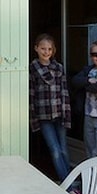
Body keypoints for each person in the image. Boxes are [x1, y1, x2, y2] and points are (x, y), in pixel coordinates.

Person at [29, 33, 71, 182]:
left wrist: (67, 115)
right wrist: (33, 118)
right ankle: (69, 185)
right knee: (55, 150)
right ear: (36, 49)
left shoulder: (59, 68)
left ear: (53, 51)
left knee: (64, 150)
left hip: (59, 113)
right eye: (43, 49)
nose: (46, 52)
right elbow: (31, 93)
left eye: (49, 49)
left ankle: (70, 182)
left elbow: (64, 91)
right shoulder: (33, 68)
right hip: (44, 115)